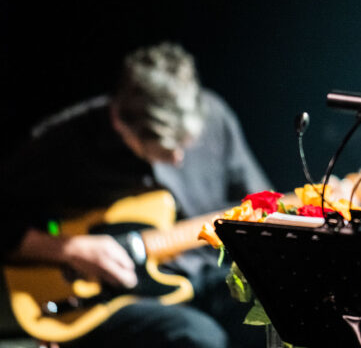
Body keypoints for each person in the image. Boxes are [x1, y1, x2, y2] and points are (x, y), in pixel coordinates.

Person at [1, 42, 272, 348]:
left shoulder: (215, 115)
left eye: (188, 142)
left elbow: (262, 206)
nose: (179, 159)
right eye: (168, 147)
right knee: (198, 338)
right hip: (112, 298)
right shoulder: (62, 143)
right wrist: (70, 250)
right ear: (121, 123)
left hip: (209, 274)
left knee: (281, 306)